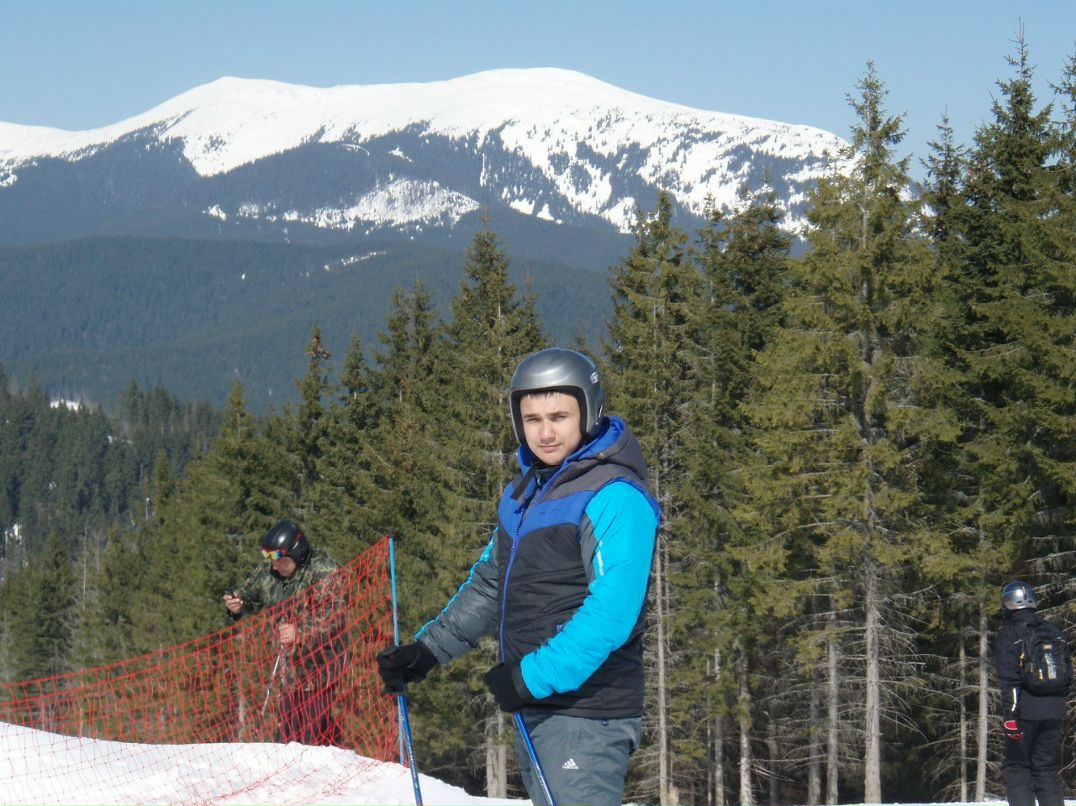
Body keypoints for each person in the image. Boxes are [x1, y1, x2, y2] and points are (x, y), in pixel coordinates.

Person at [377, 347, 660, 806]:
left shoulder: (613, 495)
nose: (545, 432)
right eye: (532, 419)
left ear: (589, 411)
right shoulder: (525, 494)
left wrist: (530, 677)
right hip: (539, 707)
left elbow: (612, 613)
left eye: (559, 416)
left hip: (586, 713)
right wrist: (428, 651)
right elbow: (491, 582)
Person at [224, 518, 345, 747]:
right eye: (269, 558)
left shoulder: (323, 570)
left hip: (321, 668)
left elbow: (335, 613)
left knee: (312, 737)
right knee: (288, 737)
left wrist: (300, 632)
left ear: (295, 553)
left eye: (278, 558)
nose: (274, 565)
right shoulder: (271, 572)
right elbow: (250, 592)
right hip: (290, 670)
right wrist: (237, 603)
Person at [994, 580, 1070, 806]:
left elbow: (1010, 680)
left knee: (1017, 767)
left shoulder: (1009, 634)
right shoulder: (1054, 631)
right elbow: (1067, 674)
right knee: (1045, 767)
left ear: (1008, 603)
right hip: (1055, 710)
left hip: (1025, 712)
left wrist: (1010, 717)